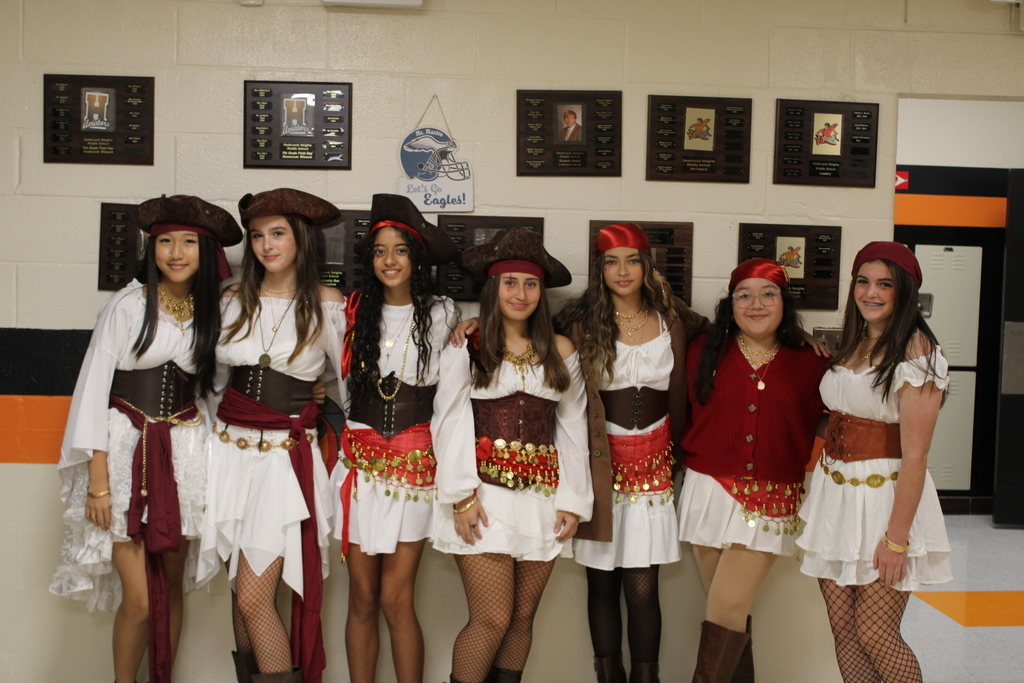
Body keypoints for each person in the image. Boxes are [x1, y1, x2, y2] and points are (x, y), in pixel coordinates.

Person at [51, 194, 242, 683]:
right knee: (138, 601)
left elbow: (216, 390)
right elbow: (93, 390)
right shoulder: (126, 305)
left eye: (187, 242)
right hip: (123, 452)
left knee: (171, 590)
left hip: (184, 452)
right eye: (164, 242)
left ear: (205, 251)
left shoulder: (212, 313)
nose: (175, 252)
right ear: (151, 248)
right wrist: (97, 481)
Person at [197, 188, 346, 683]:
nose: (266, 245)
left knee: (254, 597)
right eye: (257, 236)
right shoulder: (230, 299)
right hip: (228, 454)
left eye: (277, 233)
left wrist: (316, 402)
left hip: (282, 463)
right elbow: (215, 385)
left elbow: (353, 387)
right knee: (242, 594)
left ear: (300, 239)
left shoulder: (327, 305)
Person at [432, 227, 593, 683]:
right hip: (485, 497)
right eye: (509, 282)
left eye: (530, 284)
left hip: (543, 500)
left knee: (522, 620)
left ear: (542, 293)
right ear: (493, 287)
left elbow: (574, 427)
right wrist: (461, 496)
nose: (520, 293)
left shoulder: (561, 350)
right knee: (491, 619)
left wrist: (573, 501)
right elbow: (447, 420)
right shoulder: (470, 343)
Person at [555, 223, 707, 683]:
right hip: (601, 467)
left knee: (643, 588)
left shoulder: (674, 320)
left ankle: (646, 677)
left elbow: (738, 334)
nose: (623, 271)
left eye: (632, 260)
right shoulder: (579, 322)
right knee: (601, 583)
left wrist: (802, 341)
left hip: (653, 468)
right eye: (611, 261)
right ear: (599, 269)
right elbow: (520, 329)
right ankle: (608, 676)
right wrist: (475, 323)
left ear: (647, 265)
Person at [798, 241, 951, 683]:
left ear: (904, 291)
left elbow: (917, 454)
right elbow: (841, 414)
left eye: (885, 284)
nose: (871, 292)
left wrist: (897, 540)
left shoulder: (917, 350)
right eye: (863, 282)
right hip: (836, 496)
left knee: (874, 631)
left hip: (886, 499)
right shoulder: (854, 341)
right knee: (844, 630)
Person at [677, 258, 830, 683]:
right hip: (706, 490)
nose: (756, 303)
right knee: (728, 612)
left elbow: (840, 418)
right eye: (744, 294)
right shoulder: (701, 351)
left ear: (785, 303)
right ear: (731, 304)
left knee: (725, 609)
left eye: (768, 294)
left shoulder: (812, 362)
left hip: (770, 498)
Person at [333, 194, 459, 683]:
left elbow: (453, 392)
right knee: (361, 597)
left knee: (395, 598)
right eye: (380, 250)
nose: (390, 260)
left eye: (401, 249)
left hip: (413, 471)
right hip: (360, 470)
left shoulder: (442, 315)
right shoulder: (349, 312)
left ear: (417, 257)